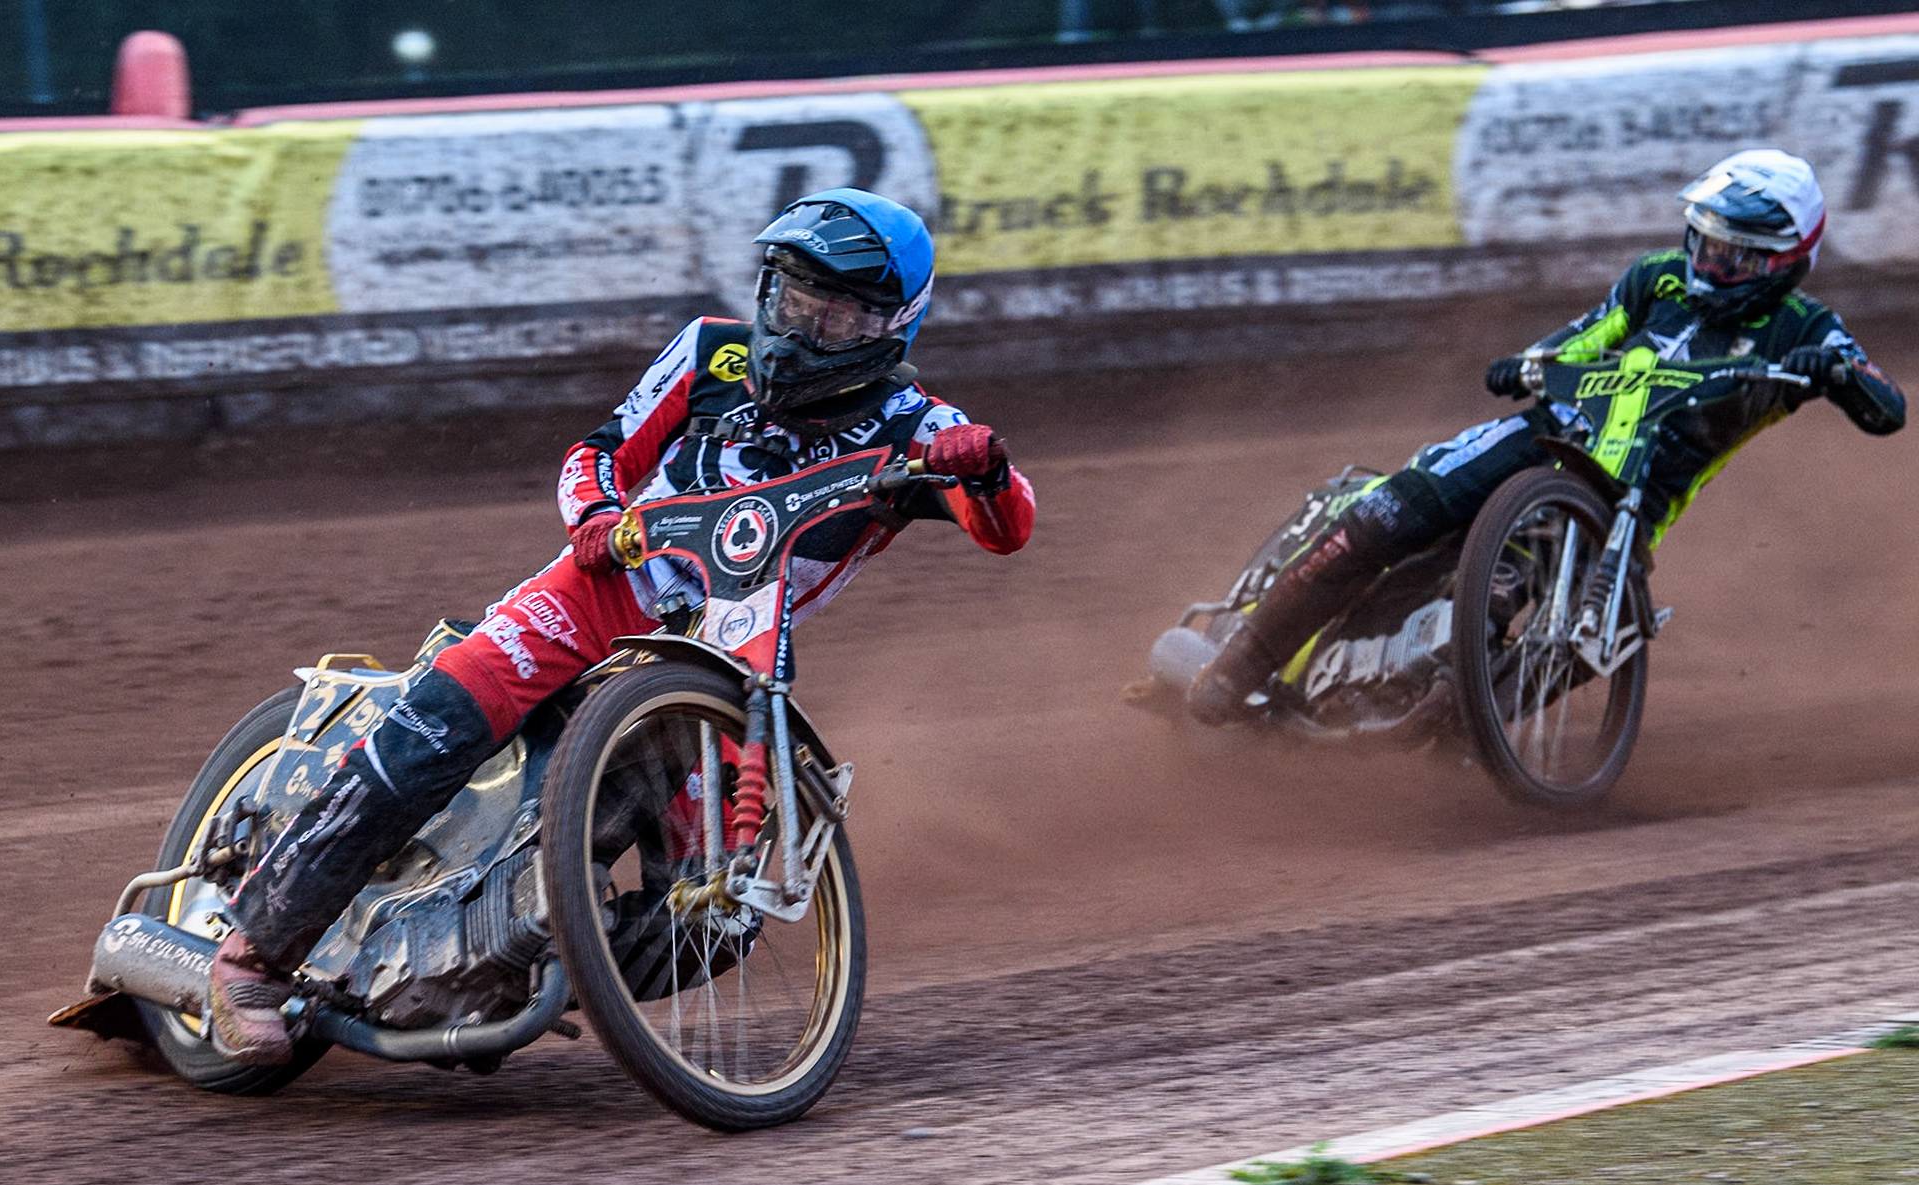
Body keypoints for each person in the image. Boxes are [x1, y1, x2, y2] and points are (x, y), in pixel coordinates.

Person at [207, 189, 1037, 1064]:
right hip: (604, 589)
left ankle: (510, 963)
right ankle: (249, 959)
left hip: (728, 657)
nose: (803, 327)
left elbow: (1008, 525)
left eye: (833, 314)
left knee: (720, 917)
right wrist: (597, 516)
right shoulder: (711, 351)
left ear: (890, 325)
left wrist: (982, 468)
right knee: (434, 726)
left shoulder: (921, 428)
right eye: (793, 300)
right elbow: (596, 454)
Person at [1187, 148, 1905, 725]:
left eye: (1735, 257)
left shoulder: (1805, 328)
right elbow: (1582, 337)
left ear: (1786, 262)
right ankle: (1237, 666)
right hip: (1544, 434)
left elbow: (1887, 406)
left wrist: (1838, 374)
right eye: (1707, 245)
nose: (1712, 266)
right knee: (1387, 512)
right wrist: (1530, 361)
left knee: (1559, 623)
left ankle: (1453, 722)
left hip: (1628, 502)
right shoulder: (1656, 279)